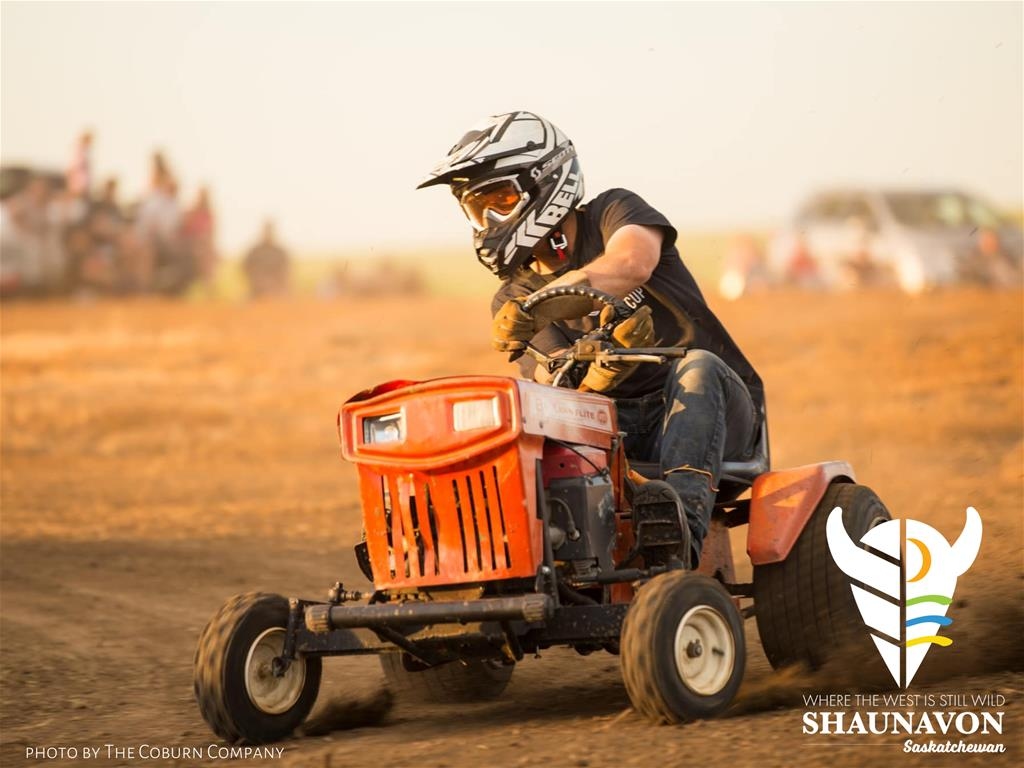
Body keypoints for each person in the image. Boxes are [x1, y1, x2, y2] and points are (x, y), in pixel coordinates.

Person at [417, 111, 764, 566]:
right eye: (478, 209)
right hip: (621, 431)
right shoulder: (512, 297)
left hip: (720, 418)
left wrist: (548, 302)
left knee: (696, 366)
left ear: (546, 182)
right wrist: (598, 375)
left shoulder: (614, 213)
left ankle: (677, 539)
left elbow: (631, 264)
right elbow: (561, 390)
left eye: (501, 199)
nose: (490, 219)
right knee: (518, 413)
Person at [242, 219, 291, 299]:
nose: (268, 233)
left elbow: (286, 272)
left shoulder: (280, 252)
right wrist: (259, 281)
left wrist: (274, 284)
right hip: (257, 290)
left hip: (277, 291)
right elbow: (246, 269)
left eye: (270, 231)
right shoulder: (254, 252)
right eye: (266, 231)